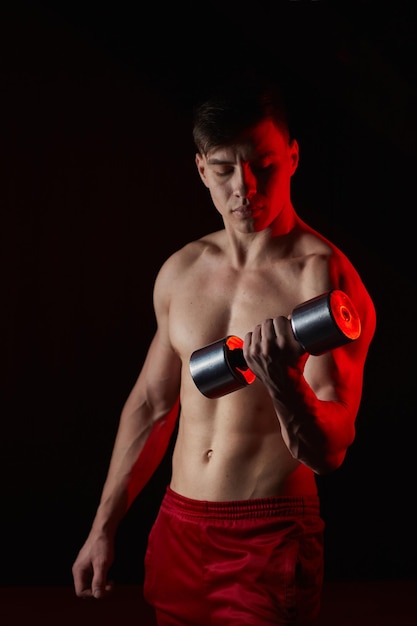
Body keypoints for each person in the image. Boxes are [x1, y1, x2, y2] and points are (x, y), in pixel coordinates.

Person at [72, 77, 376, 625]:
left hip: (269, 535)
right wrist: (103, 526)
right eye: (223, 168)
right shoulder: (182, 271)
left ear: (293, 156)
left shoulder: (326, 283)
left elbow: (332, 450)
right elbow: (152, 406)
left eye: (263, 164)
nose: (245, 187)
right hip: (179, 526)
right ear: (200, 168)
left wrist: (286, 382)